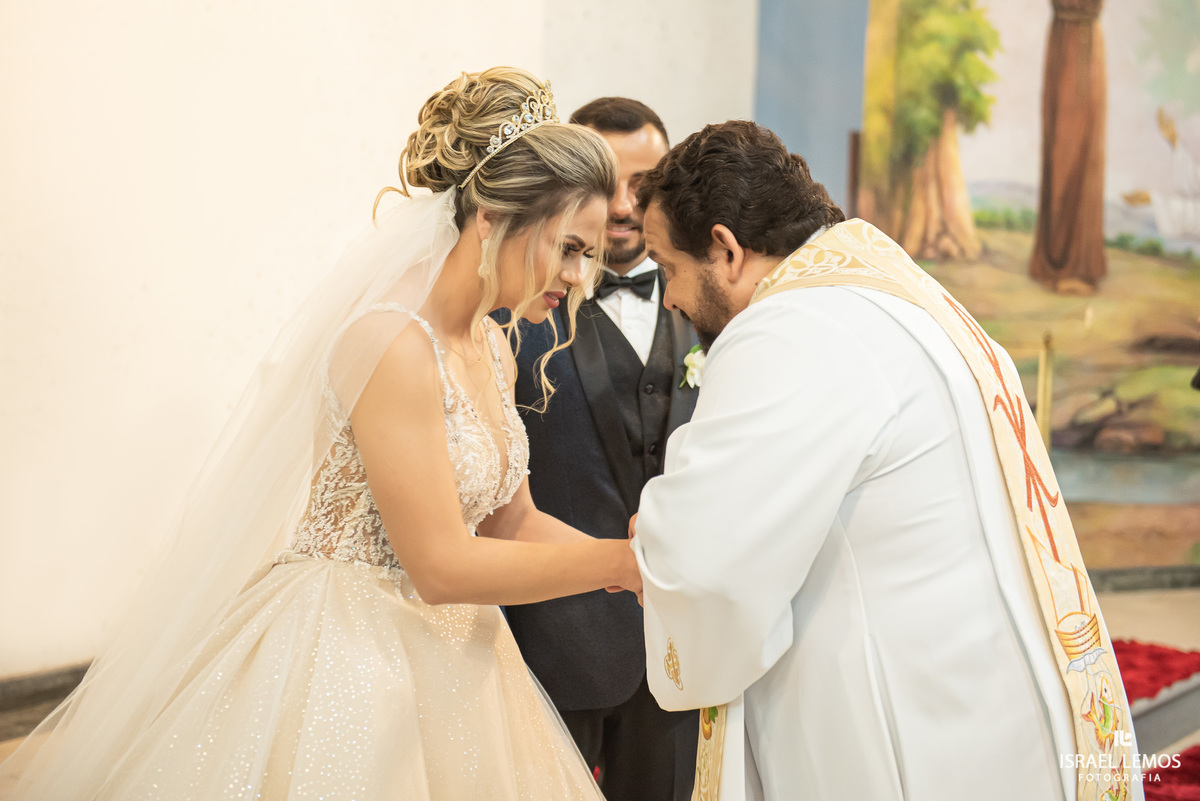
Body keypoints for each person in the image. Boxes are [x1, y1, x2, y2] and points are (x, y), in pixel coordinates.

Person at [0, 67, 641, 800]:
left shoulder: (492, 343)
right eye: (567, 246)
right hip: (351, 654)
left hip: (462, 654)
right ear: (493, 218)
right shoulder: (392, 342)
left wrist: (642, 561)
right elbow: (438, 564)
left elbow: (513, 520)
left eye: (586, 253)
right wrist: (616, 565)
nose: (577, 275)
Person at [630, 120, 1144, 801]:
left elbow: (706, 559)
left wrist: (653, 541)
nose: (669, 297)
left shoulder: (792, 330)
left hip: (904, 716)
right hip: (975, 692)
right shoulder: (895, 297)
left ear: (723, 248)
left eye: (668, 267)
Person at [497, 97, 699, 801]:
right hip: (549, 648)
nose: (622, 204)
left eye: (642, 183)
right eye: (605, 183)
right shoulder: (511, 310)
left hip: (682, 661)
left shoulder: (713, 311)